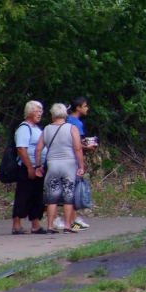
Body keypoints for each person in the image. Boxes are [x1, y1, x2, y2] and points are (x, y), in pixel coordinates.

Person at [36, 103, 84, 235]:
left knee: (52, 197)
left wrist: (38, 166)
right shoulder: (72, 128)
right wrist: (81, 166)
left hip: (52, 164)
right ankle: (68, 226)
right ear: (66, 114)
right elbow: (78, 148)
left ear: (52, 115)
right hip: (69, 164)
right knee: (68, 196)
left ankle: (50, 226)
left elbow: (38, 149)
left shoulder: (46, 129)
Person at [11, 101, 45, 234]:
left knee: (35, 196)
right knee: (23, 196)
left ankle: (35, 224)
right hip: (26, 168)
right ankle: (16, 225)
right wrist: (30, 167)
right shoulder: (24, 128)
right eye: (37, 111)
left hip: (38, 168)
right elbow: (21, 148)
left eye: (41, 111)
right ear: (29, 112)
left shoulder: (37, 128)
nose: (39, 114)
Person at [63, 97, 91, 230]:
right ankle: (72, 221)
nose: (87, 108)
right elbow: (77, 144)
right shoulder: (76, 123)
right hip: (72, 159)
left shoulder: (66, 119)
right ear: (78, 108)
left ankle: (72, 219)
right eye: (85, 106)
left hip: (63, 157)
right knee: (72, 191)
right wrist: (89, 146)